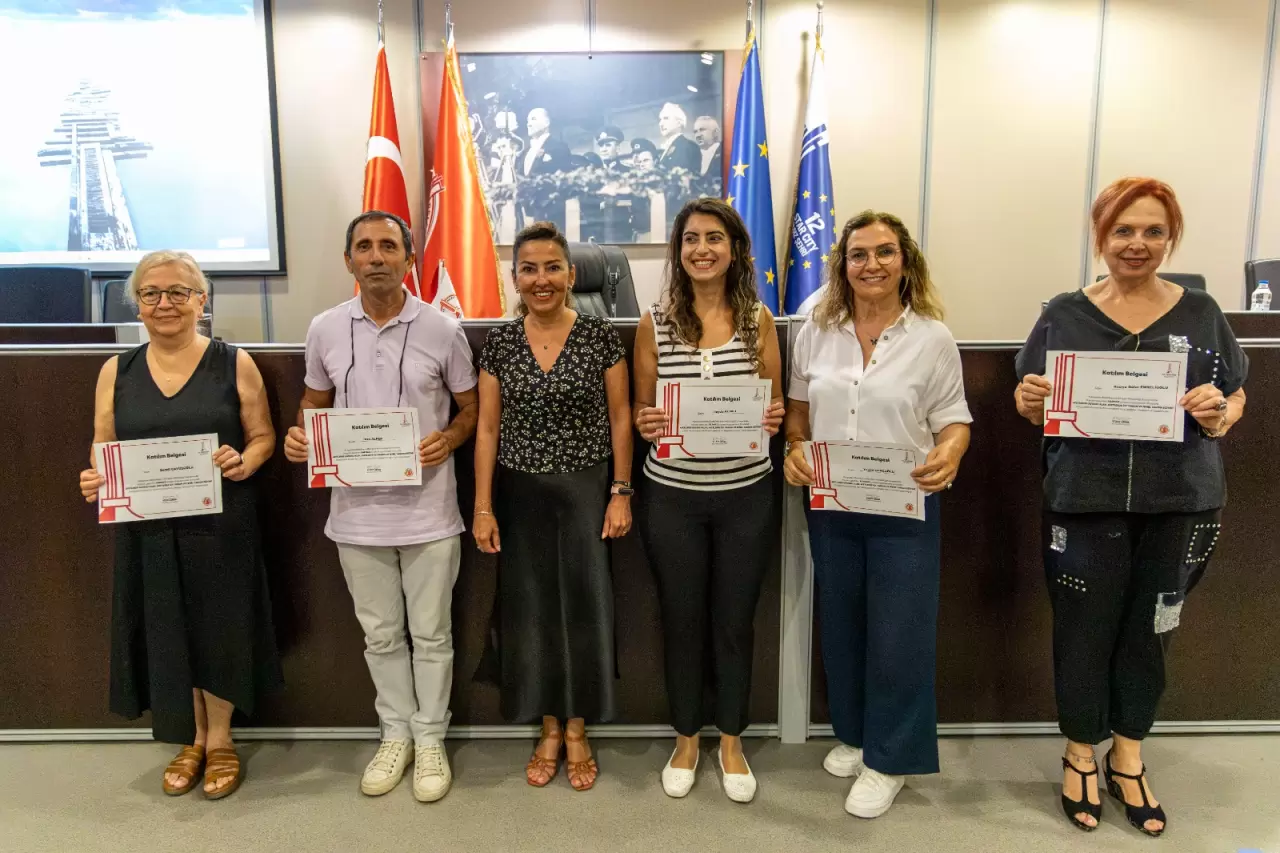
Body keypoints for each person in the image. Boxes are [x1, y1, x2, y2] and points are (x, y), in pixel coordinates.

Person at [1014, 177, 1247, 837]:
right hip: (1084, 501)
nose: (1136, 244)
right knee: (1082, 630)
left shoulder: (1201, 312)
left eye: (1152, 230)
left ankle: (1131, 753)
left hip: (1180, 503)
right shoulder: (1064, 312)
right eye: (1123, 230)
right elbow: (1027, 398)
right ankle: (1081, 751)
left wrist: (1221, 411)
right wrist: (1030, 401)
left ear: (1170, 237)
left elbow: (1235, 395)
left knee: (1152, 631)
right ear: (1101, 236)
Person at [282, 211, 479, 803]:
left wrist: (449, 438)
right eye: (363, 247)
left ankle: (431, 738)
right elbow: (312, 405)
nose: (375, 257)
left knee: (433, 634)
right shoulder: (323, 329)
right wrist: (302, 437)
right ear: (349, 261)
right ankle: (394, 735)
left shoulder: (443, 329)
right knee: (382, 637)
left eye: (388, 246)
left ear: (408, 258)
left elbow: (471, 410)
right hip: (357, 517)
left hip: (429, 513)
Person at [781, 211, 972, 819]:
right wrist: (794, 450)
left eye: (884, 252)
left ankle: (890, 759)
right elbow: (798, 411)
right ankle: (859, 734)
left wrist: (950, 452)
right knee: (843, 624)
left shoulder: (932, 338)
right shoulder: (816, 328)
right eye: (858, 255)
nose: (871, 265)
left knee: (900, 633)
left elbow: (954, 419)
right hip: (834, 504)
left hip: (904, 504)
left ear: (905, 260)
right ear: (843, 265)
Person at [78, 250, 282, 800]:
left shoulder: (232, 361)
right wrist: (98, 476)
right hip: (148, 527)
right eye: (151, 293)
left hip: (220, 523)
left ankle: (220, 740)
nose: (164, 303)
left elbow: (262, 437)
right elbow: (104, 441)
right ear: (137, 305)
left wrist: (247, 460)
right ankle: (189, 738)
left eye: (178, 292)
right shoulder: (114, 370)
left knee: (220, 626)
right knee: (166, 626)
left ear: (201, 300)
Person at [632, 198, 785, 803]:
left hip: (745, 495)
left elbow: (772, 403)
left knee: (734, 622)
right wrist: (649, 422)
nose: (702, 248)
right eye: (691, 238)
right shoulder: (655, 321)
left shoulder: (758, 320)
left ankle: (731, 740)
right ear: (678, 251)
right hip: (672, 498)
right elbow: (646, 409)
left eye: (714, 238)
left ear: (734, 250)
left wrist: (770, 417)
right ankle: (687, 739)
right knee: (682, 618)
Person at [473, 221, 633, 792]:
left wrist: (620, 492)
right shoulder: (500, 342)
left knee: (585, 610)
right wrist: (484, 507)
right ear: (514, 278)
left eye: (552, 267)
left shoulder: (599, 336)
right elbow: (487, 428)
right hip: (520, 497)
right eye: (529, 269)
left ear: (571, 274)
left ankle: (578, 729)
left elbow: (620, 419)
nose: (541, 280)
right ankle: (546, 727)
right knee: (531, 611)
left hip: (586, 493)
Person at [692, 116, 723, 196]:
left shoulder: (726, 152)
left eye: (702, 130)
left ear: (716, 132)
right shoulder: (693, 157)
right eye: (695, 131)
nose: (698, 135)